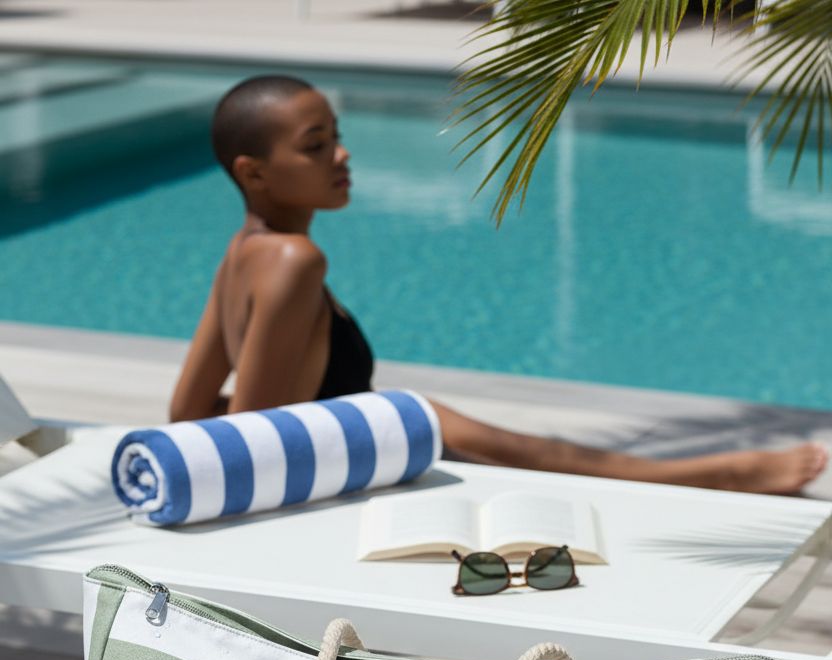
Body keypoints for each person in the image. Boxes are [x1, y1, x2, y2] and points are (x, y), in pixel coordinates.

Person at [170, 74, 828, 496]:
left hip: (373, 424)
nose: (341, 155)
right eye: (315, 146)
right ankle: (728, 473)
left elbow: (186, 411)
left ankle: (719, 472)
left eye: (335, 137)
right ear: (254, 173)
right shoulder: (294, 261)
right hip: (377, 433)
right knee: (544, 457)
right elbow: (252, 440)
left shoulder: (243, 252)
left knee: (532, 452)